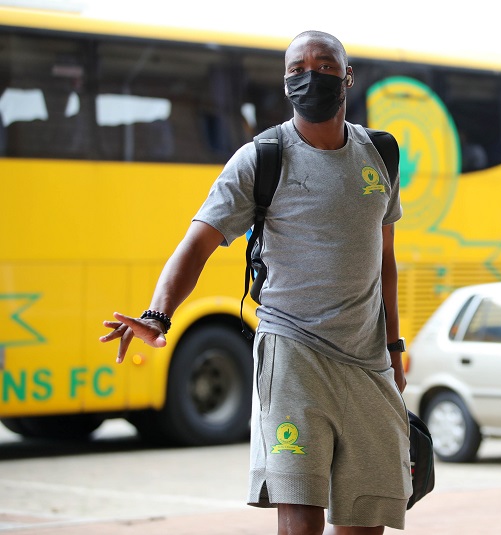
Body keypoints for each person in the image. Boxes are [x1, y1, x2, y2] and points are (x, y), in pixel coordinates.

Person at [100, 30, 412, 534]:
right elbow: (196, 244)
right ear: (285, 81)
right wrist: (158, 312)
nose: (309, 76)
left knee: (366, 520)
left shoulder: (381, 154)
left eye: (324, 66)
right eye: (296, 69)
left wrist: (394, 348)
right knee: (300, 514)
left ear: (348, 77)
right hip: (292, 358)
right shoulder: (261, 157)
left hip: (368, 364)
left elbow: (386, 261)